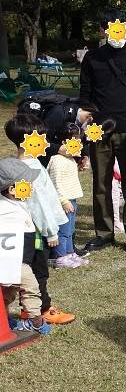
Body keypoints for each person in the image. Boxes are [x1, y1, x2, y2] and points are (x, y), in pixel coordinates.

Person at [79, 7, 126, 254]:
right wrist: (86, 125)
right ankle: (104, 233)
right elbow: (85, 95)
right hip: (98, 130)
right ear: (103, 30)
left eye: (118, 25)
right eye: (109, 26)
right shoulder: (92, 58)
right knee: (100, 183)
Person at [5, 115, 75, 325]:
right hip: (36, 233)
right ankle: (42, 309)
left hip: (31, 230)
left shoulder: (25, 165)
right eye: (42, 139)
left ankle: (30, 308)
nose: (46, 143)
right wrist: (50, 231)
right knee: (38, 273)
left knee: (29, 272)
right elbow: (37, 206)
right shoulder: (30, 170)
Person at [0, 158, 52, 335]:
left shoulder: (16, 203)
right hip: (15, 260)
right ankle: (35, 321)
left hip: (19, 259)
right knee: (31, 288)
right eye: (26, 184)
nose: (30, 187)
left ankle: (4, 318)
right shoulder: (5, 209)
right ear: (12, 189)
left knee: (8, 293)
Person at [47, 123, 89, 268]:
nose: (79, 144)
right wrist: (63, 201)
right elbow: (55, 184)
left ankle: (70, 253)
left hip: (72, 199)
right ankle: (60, 257)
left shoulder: (69, 159)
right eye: (76, 140)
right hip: (63, 201)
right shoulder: (57, 161)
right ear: (65, 143)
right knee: (63, 231)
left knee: (70, 229)